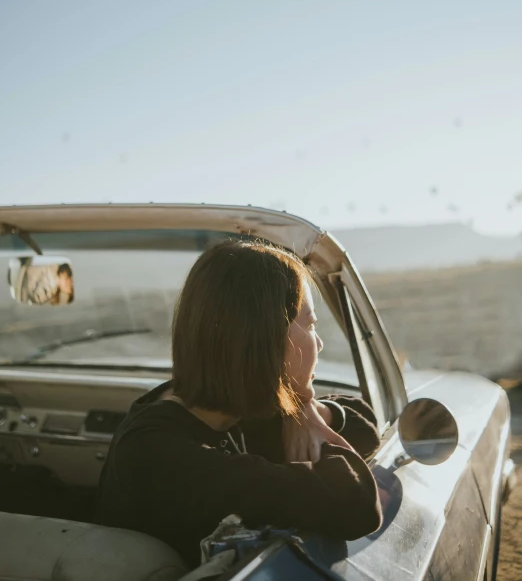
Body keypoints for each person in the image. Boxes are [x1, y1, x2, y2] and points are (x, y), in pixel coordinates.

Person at [97, 240, 382, 568]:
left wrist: (308, 411)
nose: (317, 341)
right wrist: (301, 407)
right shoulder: (156, 452)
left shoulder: (234, 408)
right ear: (265, 334)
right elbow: (354, 503)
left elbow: (367, 427)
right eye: (310, 323)